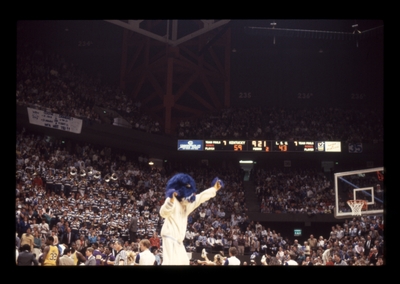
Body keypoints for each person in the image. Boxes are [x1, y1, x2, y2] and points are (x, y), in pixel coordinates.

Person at [159, 174, 223, 265]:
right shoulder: (172, 200)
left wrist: (214, 189)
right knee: (170, 263)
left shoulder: (187, 204)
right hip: (169, 236)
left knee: (184, 262)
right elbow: (163, 213)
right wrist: (170, 201)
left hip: (179, 240)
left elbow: (201, 197)